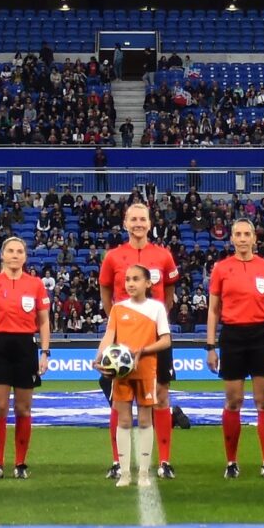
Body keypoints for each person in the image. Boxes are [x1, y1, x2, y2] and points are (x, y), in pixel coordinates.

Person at [97, 198, 180, 477]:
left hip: (154, 337)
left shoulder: (163, 255)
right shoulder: (113, 257)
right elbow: (106, 292)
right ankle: (118, 462)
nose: (138, 224)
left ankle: (164, 461)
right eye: (133, 219)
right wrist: (118, 322)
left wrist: (157, 318)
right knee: (120, 400)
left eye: (142, 219)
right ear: (125, 223)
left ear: (150, 223)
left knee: (161, 396)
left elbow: (169, 290)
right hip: (123, 339)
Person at [204, 219, 264, 480]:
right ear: (231, 239)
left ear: (254, 238)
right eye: (237, 234)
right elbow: (213, 310)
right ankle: (231, 462)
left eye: (246, 234)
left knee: (263, 402)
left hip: (261, 336)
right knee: (233, 401)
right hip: (232, 337)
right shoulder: (221, 269)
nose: (242, 238)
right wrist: (210, 346)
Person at [0, 235, 51, 479]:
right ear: (2, 255)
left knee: (23, 408)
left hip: (25, 347)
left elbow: (43, 320)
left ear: (25, 256)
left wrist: (45, 352)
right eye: (11, 251)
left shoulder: (36, 284)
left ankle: (20, 464)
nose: (15, 255)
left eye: (20, 251)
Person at [98, 263, 171, 486]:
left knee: (146, 419)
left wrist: (143, 351)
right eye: (128, 279)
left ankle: (143, 472)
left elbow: (166, 339)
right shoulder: (118, 308)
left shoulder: (156, 308)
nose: (130, 283)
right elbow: (109, 336)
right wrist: (99, 357)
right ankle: (125, 472)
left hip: (146, 370)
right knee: (124, 419)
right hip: (122, 373)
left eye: (136, 279)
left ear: (148, 283)